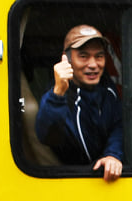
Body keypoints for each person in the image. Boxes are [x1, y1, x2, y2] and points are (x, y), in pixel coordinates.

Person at [35, 24, 124, 181]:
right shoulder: (58, 95)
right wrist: (58, 92)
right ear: (66, 58)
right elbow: (48, 136)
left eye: (99, 56)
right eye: (83, 56)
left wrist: (112, 155)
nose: (93, 64)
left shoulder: (107, 88)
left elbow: (118, 125)